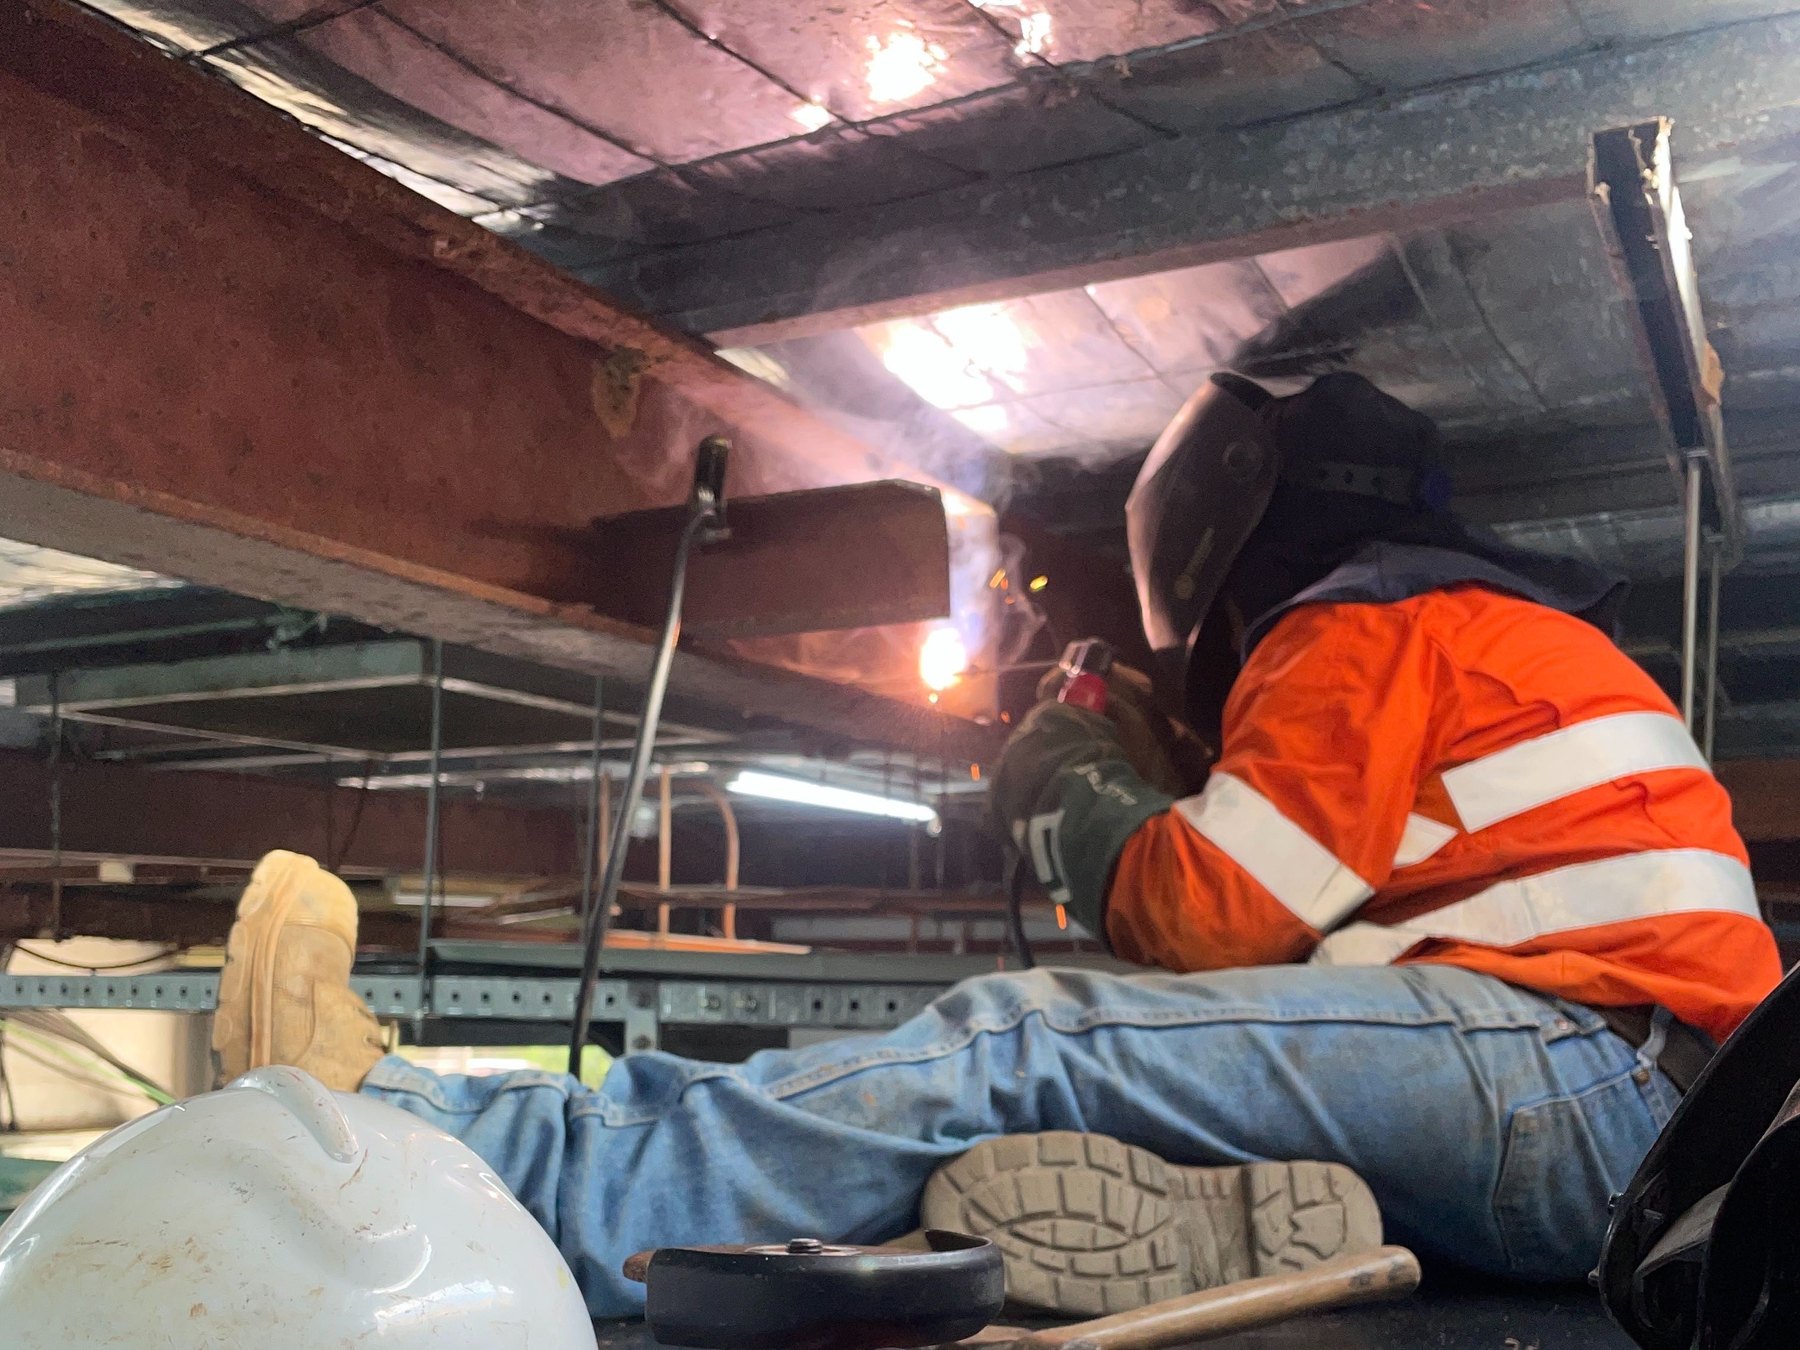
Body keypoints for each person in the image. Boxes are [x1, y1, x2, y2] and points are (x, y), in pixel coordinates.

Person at [209, 372, 1780, 1321]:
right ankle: (1187, 1225)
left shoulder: (1360, 621)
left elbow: (1210, 911)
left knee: (1034, 1029)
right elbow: (1308, 949)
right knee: (1105, 1086)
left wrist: (1078, 785)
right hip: (1636, 1114)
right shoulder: (1493, 641)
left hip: (1582, 1077)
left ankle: (450, 1140)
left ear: (1234, 554)